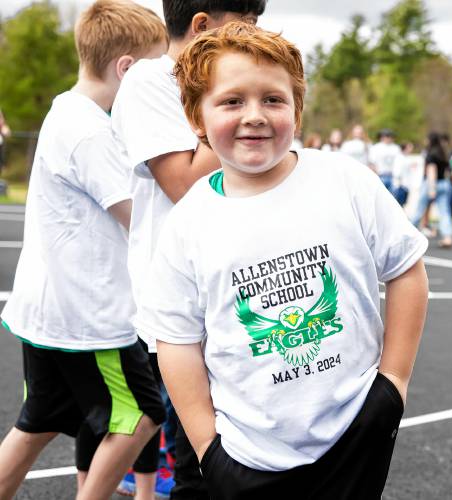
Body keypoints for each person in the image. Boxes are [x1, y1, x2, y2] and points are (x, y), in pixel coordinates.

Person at [137, 22, 429, 499]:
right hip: (247, 450)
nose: (255, 115)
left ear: (297, 109)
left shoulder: (344, 181)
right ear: (196, 117)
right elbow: (176, 341)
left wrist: (393, 381)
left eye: (273, 99)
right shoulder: (188, 223)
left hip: (355, 427)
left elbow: (406, 268)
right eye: (232, 101)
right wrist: (208, 447)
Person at [0, 2, 168, 499]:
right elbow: (139, 219)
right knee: (142, 413)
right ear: (128, 69)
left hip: (50, 308)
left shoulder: (68, 110)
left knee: (39, 421)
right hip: (88, 315)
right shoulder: (91, 132)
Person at [111, 1, 267, 498]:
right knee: (200, 467)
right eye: (246, 25)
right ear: (201, 25)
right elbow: (184, 183)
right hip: (185, 313)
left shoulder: (232, 79)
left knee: (252, 451)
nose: (254, 37)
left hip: (240, 296)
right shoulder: (149, 83)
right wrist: (223, 105)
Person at [412, 132, 452, 248]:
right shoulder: (444, 154)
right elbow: (447, 171)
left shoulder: (431, 154)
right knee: (444, 212)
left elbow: (431, 171)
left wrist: (431, 188)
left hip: (432, 184)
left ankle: (406, 235)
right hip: (444, 183)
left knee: (418, 211)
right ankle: (448, 237)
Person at [369, 128, 403, 193]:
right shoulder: (376, 147)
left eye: (390, 136)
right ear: (381, 137)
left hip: (393, 176)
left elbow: (400, 163)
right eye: (387, 136)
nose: (389, 138)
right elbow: (372, 163)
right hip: (381, 175)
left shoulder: (396, 148)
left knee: (393, 197)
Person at [392, 141, 420, 207]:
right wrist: (399, 184)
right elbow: (397, 173)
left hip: (406, 186)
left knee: (403, 204)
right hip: (400, 186)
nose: (411, 149)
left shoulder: (407, 158)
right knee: (398, 205)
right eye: (410, 147)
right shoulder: (399, 158)